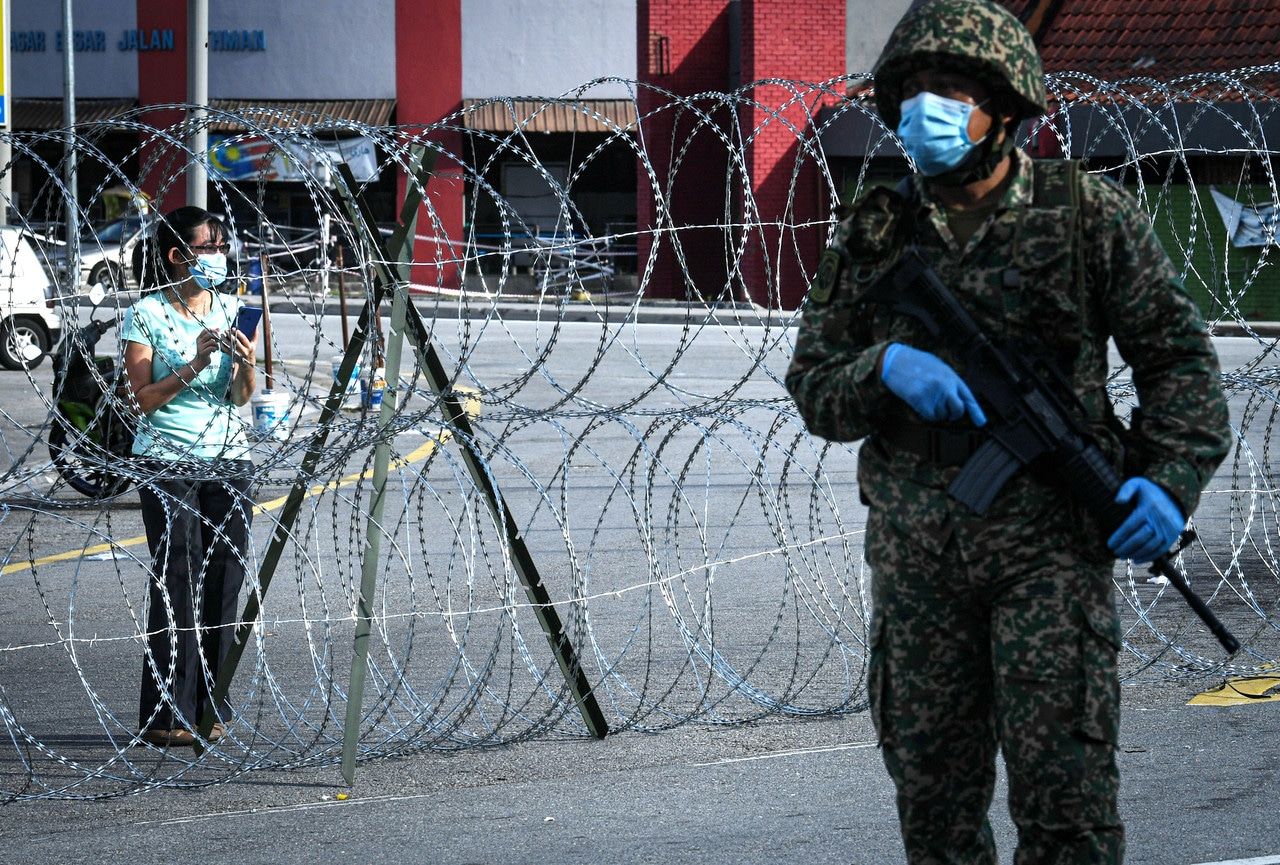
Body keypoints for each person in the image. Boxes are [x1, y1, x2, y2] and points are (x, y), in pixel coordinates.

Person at [785, 1, 1232, 862]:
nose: (929, 108)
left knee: (1068, 808)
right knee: (936, 811)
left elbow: (1178, 359)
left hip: (1051, 559)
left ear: (1006, 109)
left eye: (952, 89)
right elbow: (814, 388)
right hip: (918, 564)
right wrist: (881, 371)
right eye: (915, 89)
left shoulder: (1084, 216)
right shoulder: (878, 230)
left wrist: (1169, 479)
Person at [122, 206, 257, 748]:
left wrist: (245, 365)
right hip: (168, 458)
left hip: (229, 457)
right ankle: (164, 714)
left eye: (222, 247)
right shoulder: (147, 313)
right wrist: (195, 364)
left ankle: (209, 708)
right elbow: (145, 400)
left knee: (225, 583)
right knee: (178, 579)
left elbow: (241, 397)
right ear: (179, 256)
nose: (218, 256)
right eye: (208, 247)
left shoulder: (232, 307)